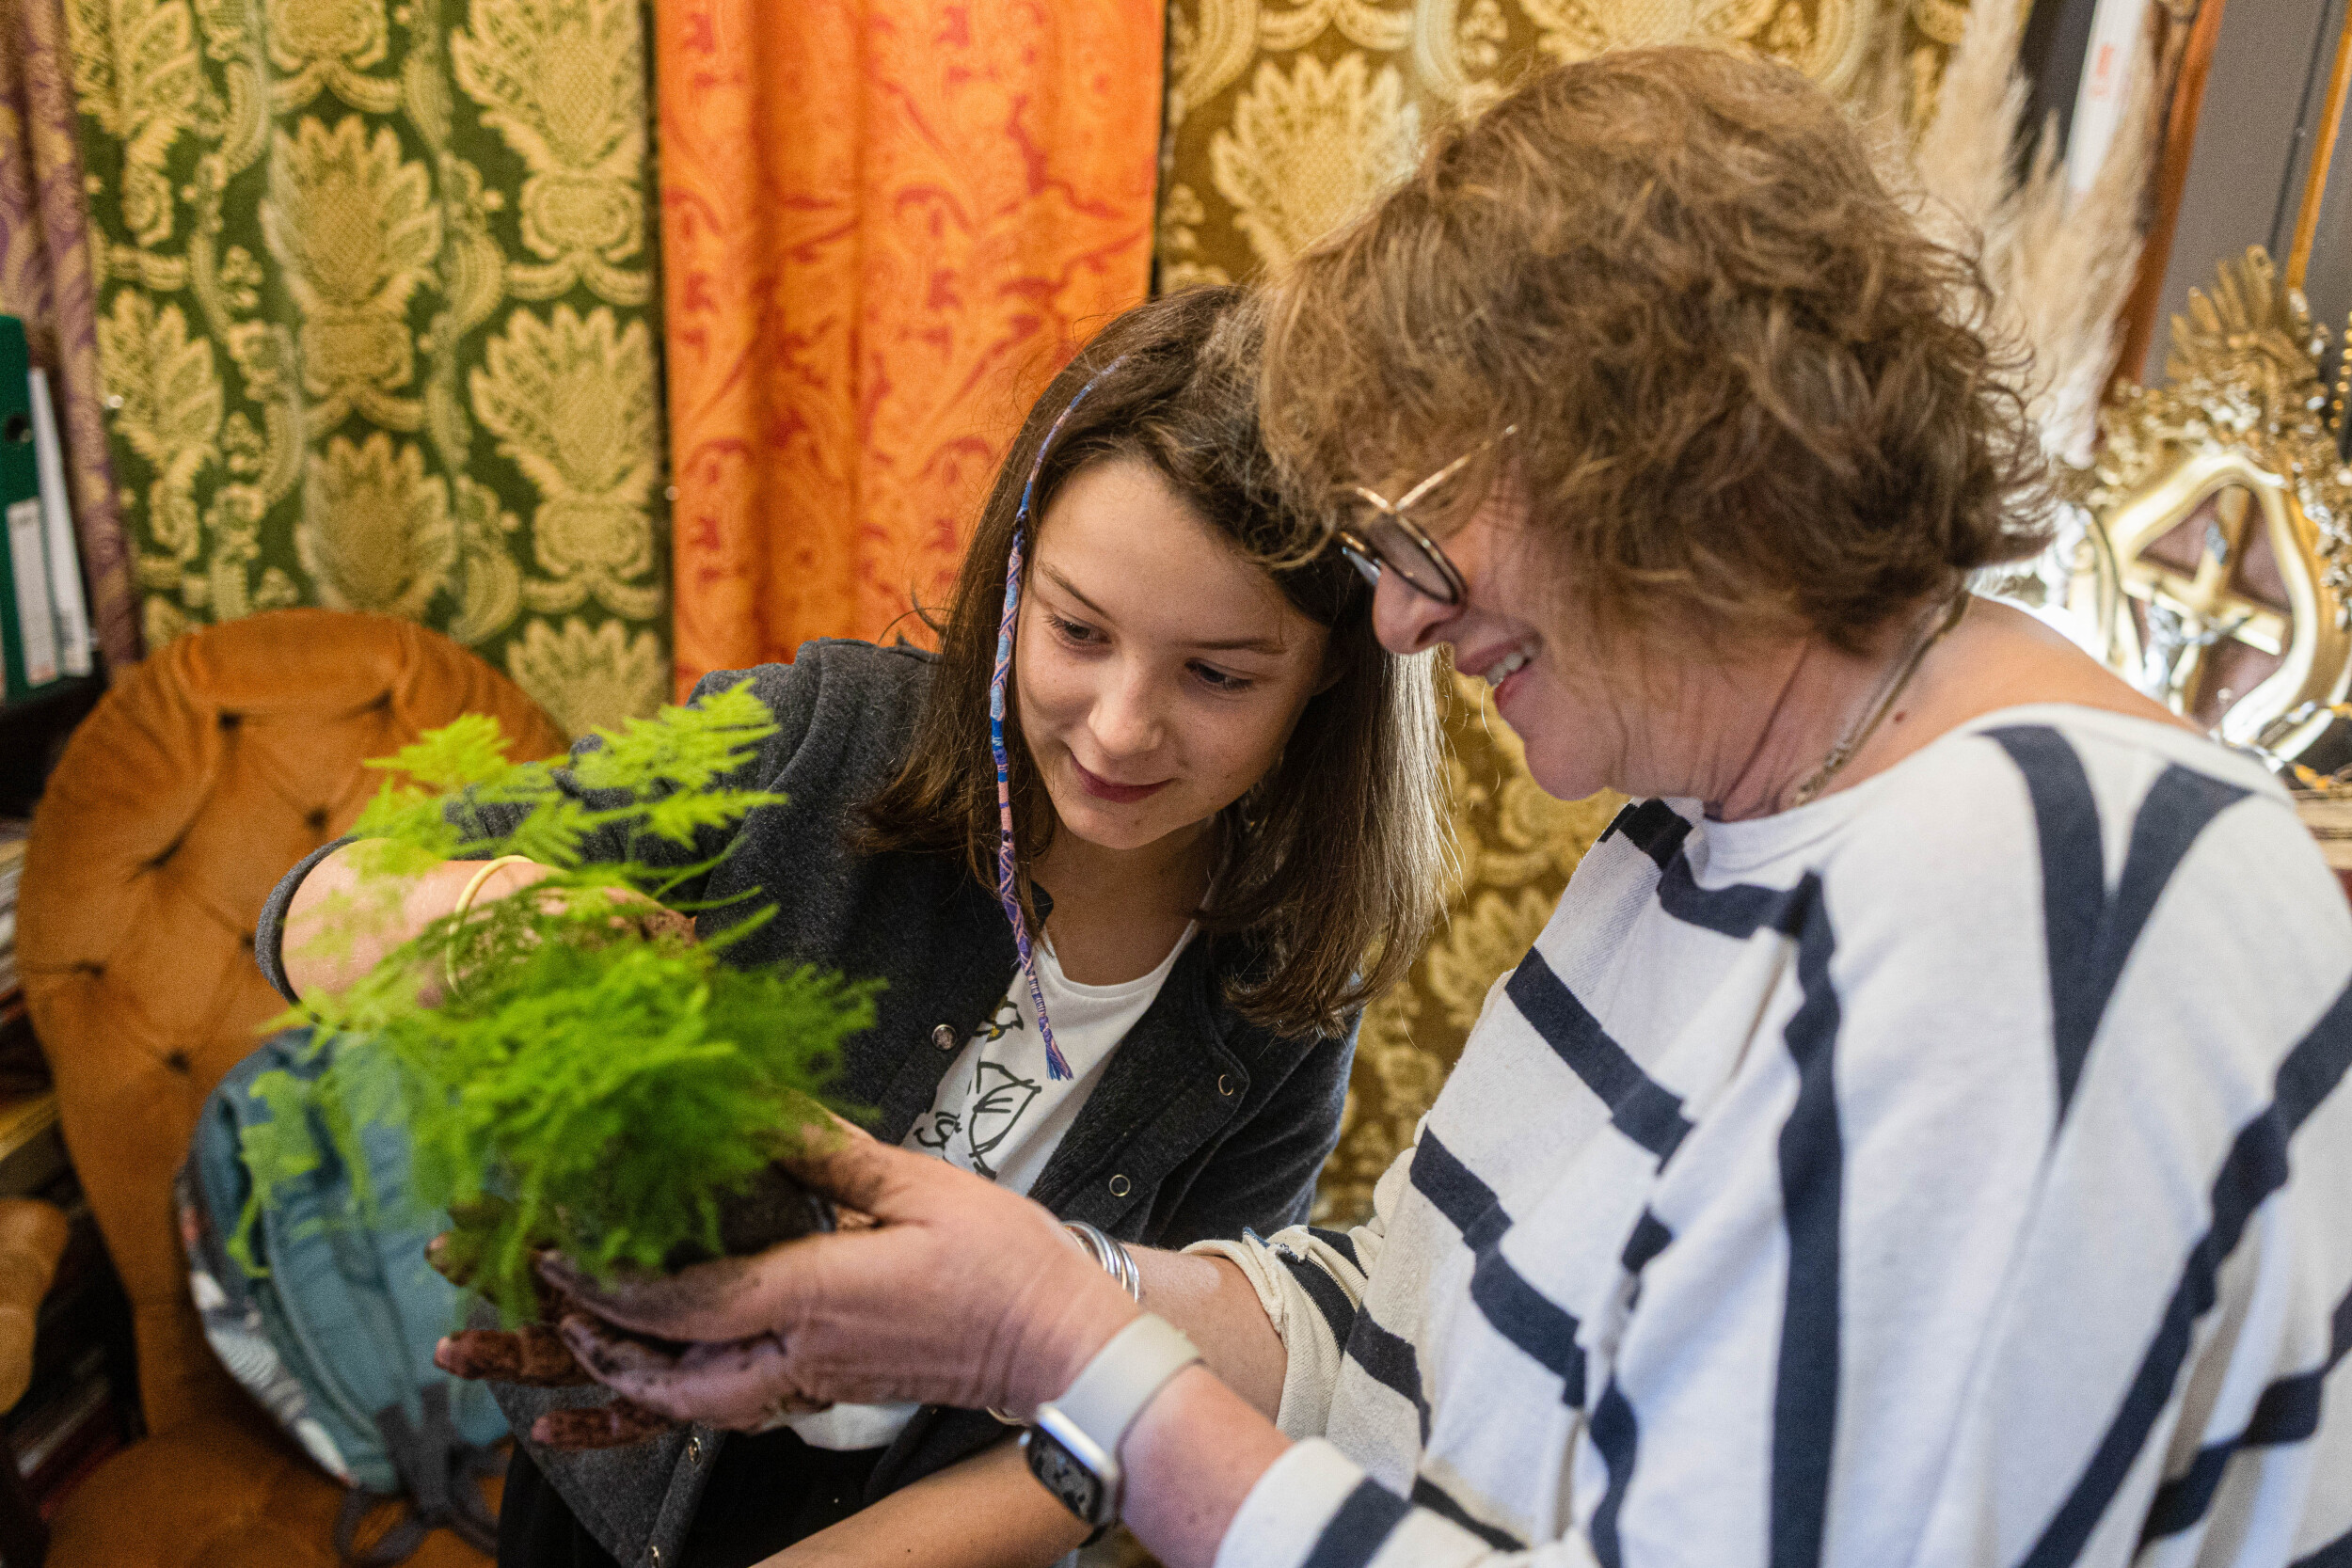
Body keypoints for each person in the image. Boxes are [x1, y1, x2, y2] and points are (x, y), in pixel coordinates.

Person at [540, 47, 2352, 1568]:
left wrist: (1057, 1342)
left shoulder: (2039, 896)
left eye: (1428, 526)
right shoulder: (1702, 831)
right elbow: (1402, 1327)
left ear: (1673, 470)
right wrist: (1028, 1289)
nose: (1397, 616)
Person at [255, 285, 1448, 1568]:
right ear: (1014, 575)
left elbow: (1161, 1388)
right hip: (611, 1495)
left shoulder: (1287, 984)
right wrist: (483, 915)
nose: (1117, 727)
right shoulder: (820, 740)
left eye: (1217, 674)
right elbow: (311, 910)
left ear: (1330, 668)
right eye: (1076, 633)